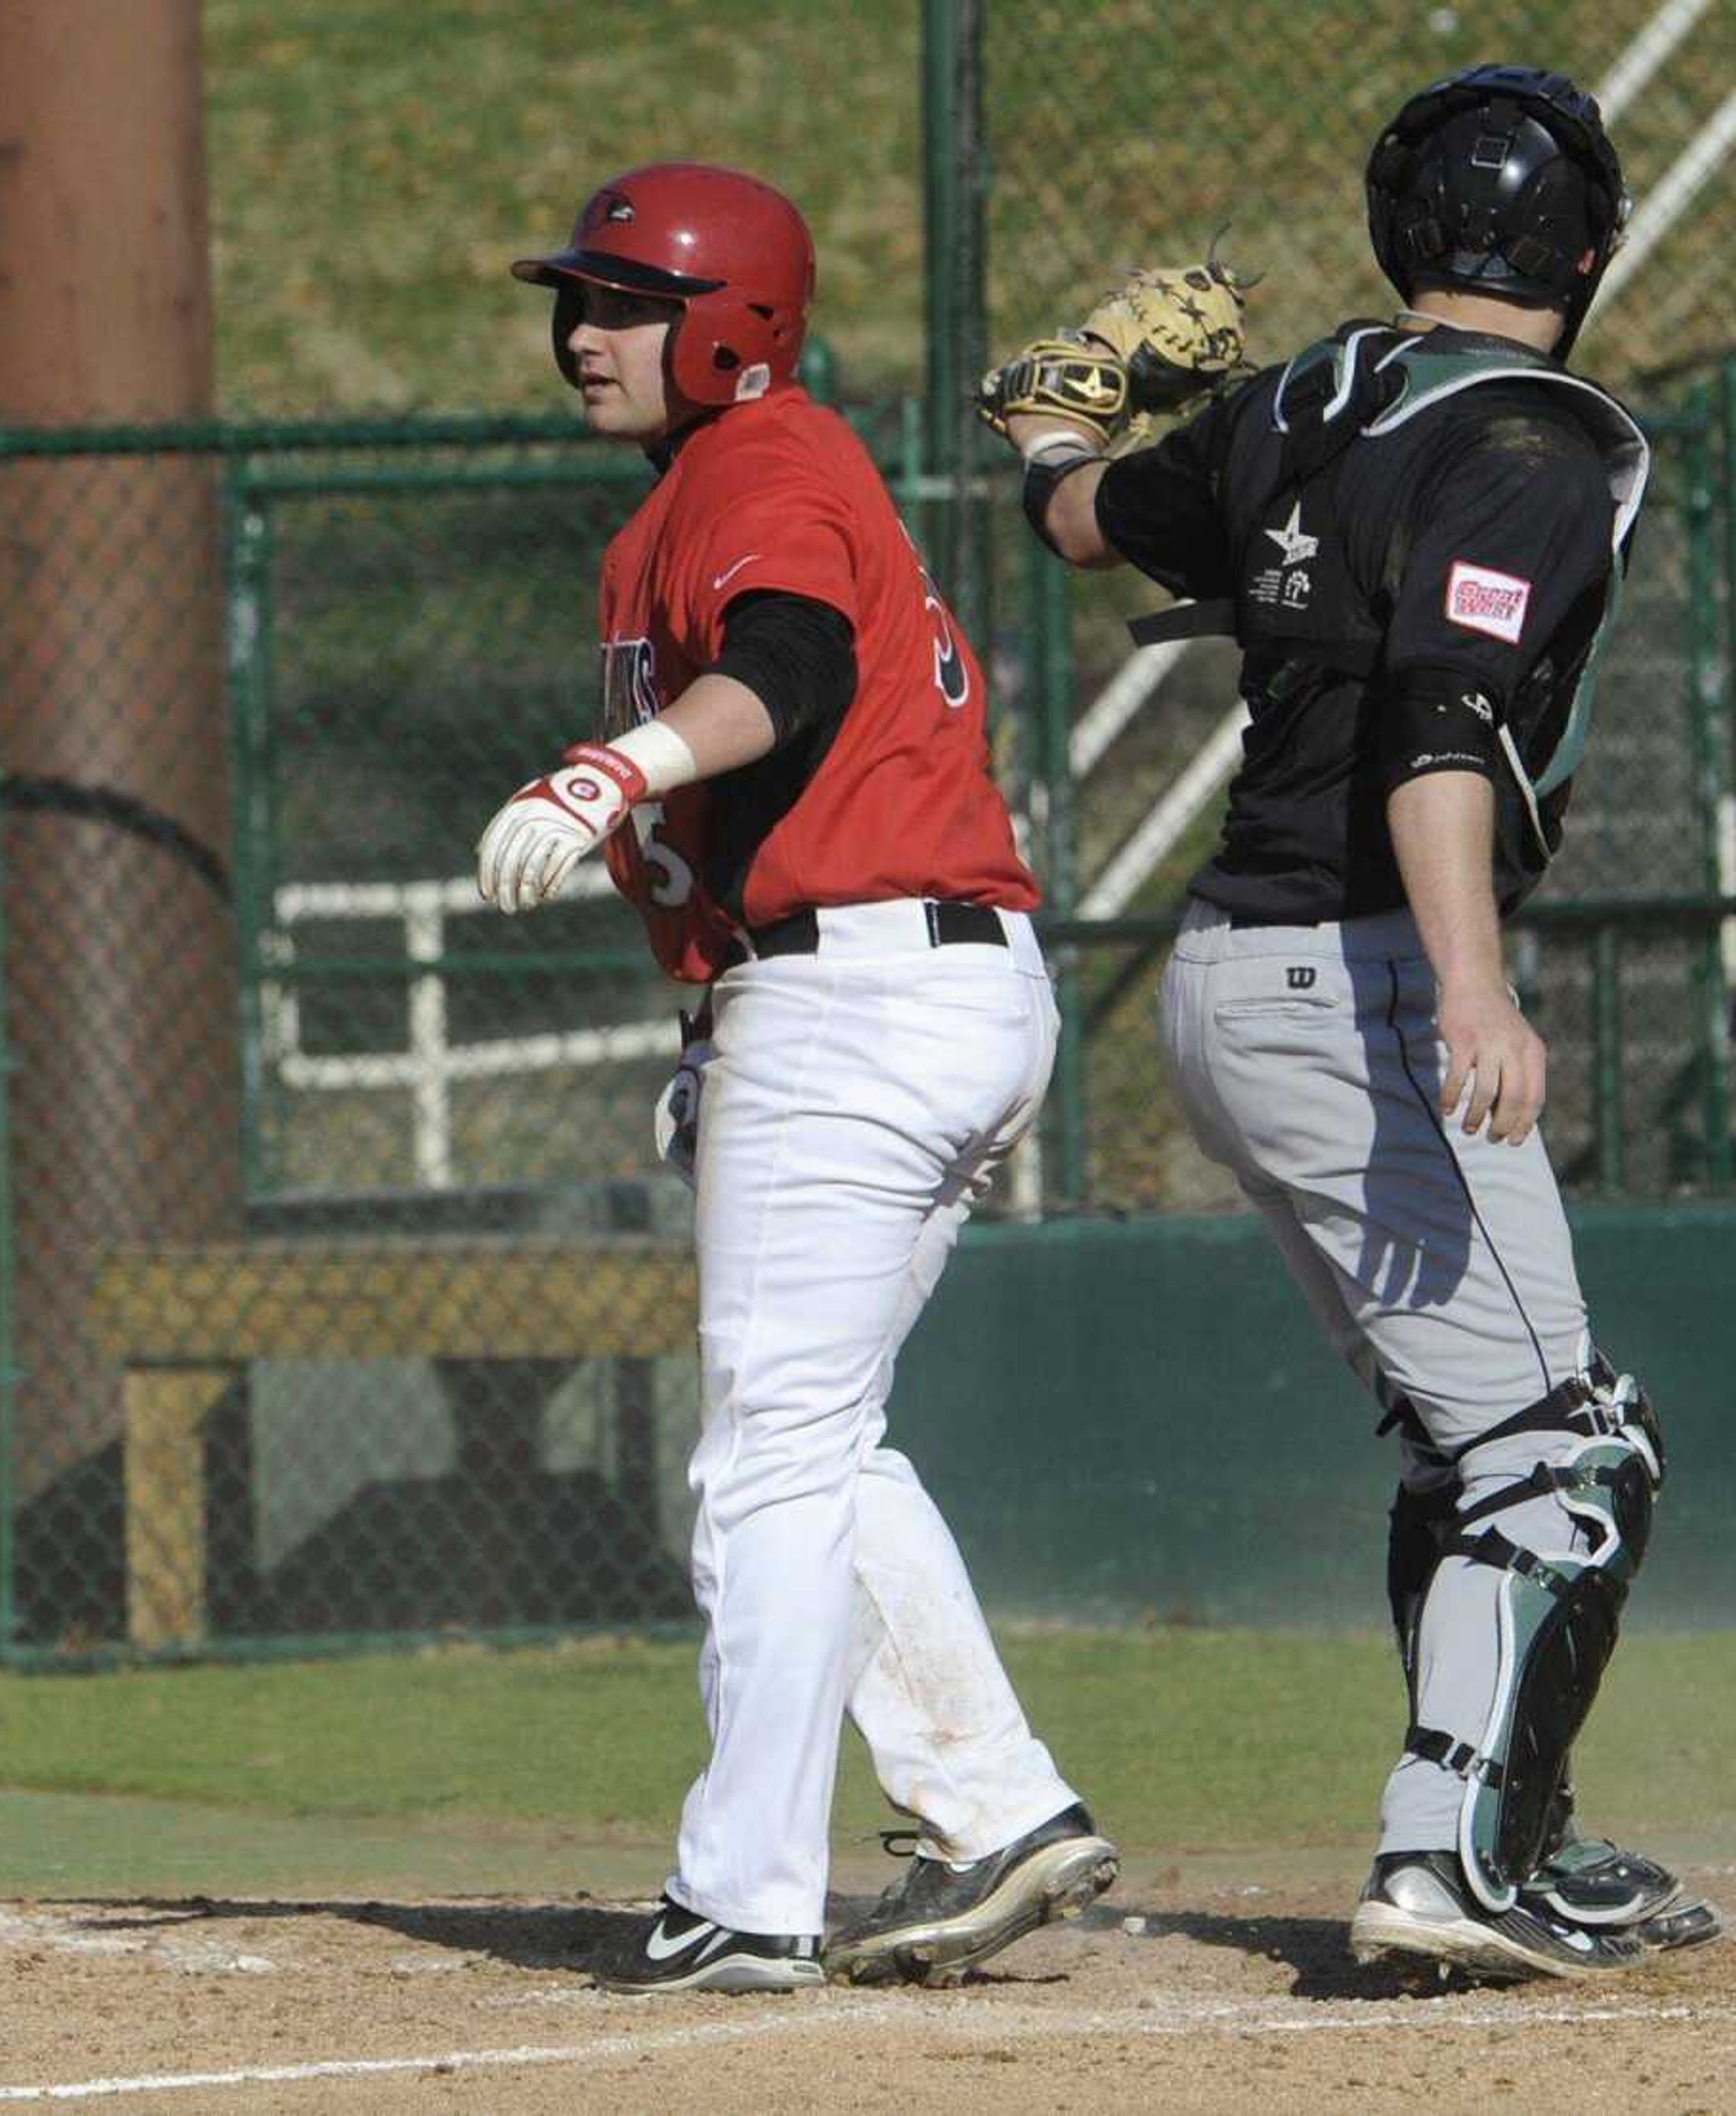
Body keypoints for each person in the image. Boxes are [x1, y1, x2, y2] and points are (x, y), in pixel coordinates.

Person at [987, 65, 1716, 1981]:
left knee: (1465, 1450)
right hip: (1367, 965)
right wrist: (1473, 978)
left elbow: (1072, 518)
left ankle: (1513, 1834)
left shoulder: (1302, 397)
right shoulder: (1539, 443)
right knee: (1570, 1464)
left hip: (1236, 971)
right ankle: (1448, 1856)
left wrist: (1062, 407)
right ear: (1588, 242)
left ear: (1404, 231)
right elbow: (1442, 719)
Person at [479, 163, 1116, 1997]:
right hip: (891, 989)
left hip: (863, 996)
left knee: (763, 1464)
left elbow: (791, 668)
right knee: (817, 1446)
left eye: (624, 302)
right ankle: (996, 1806)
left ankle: (746, 1892)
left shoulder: (758, 467)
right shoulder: (715, 479)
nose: (582, 333)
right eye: (573, 300)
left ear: (732, 322)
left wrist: (615, 771)